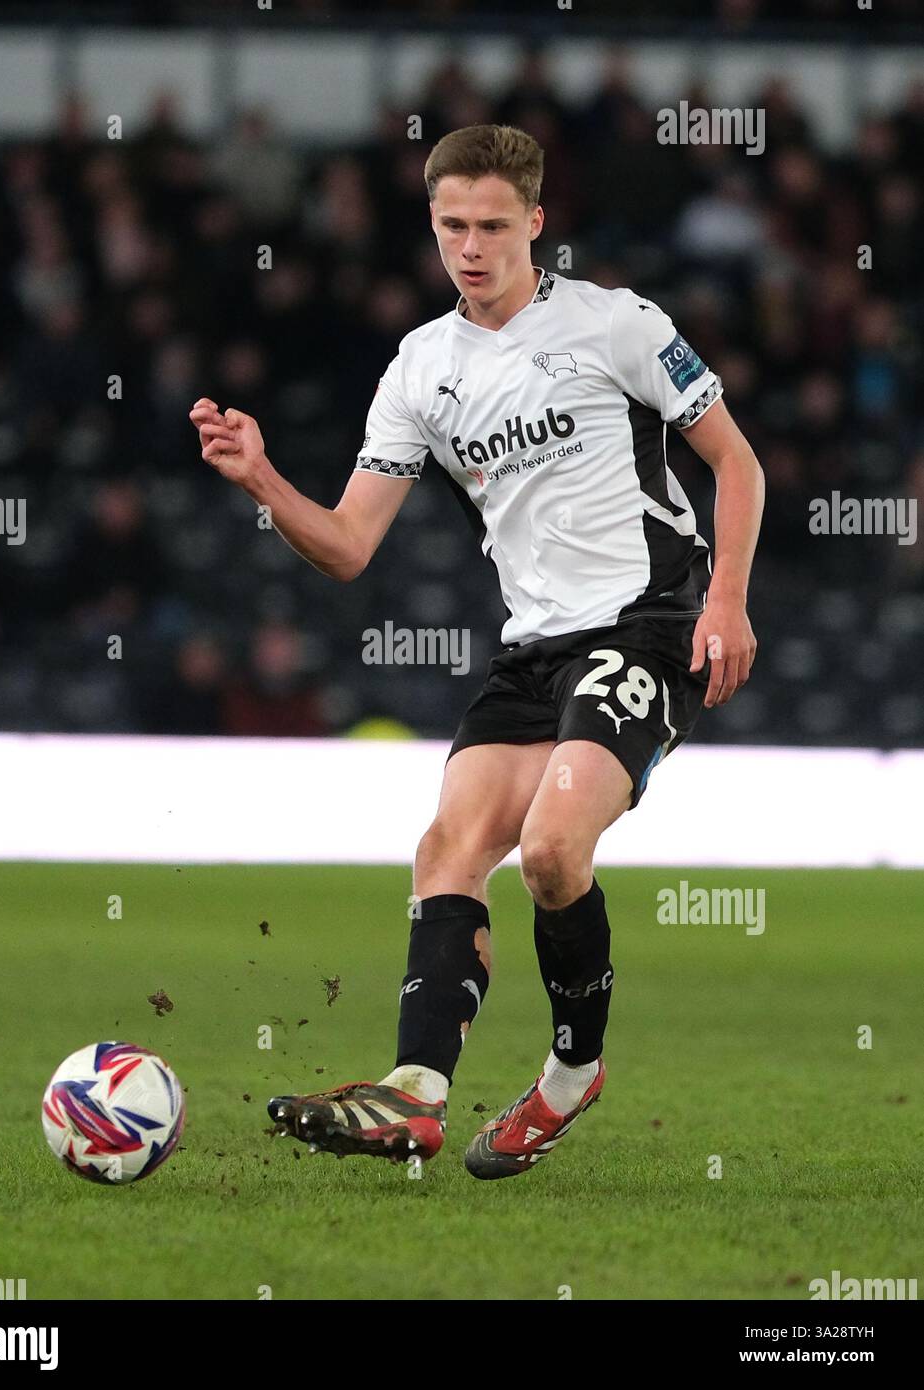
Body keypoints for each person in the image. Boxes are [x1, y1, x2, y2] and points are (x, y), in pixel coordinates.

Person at [188, 124, 763, 1179]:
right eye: (452, 224)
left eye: (494, 225)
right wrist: (264, 480)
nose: (471, 246)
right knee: (446, 852)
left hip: (646, 620)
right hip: (530, 650)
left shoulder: (617, 324)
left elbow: (737, 462)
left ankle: (570, 1072)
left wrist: (726, 597)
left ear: (536, 224)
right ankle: (413, 1095)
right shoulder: (420, 368)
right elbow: (351, 545)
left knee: (549, 852)